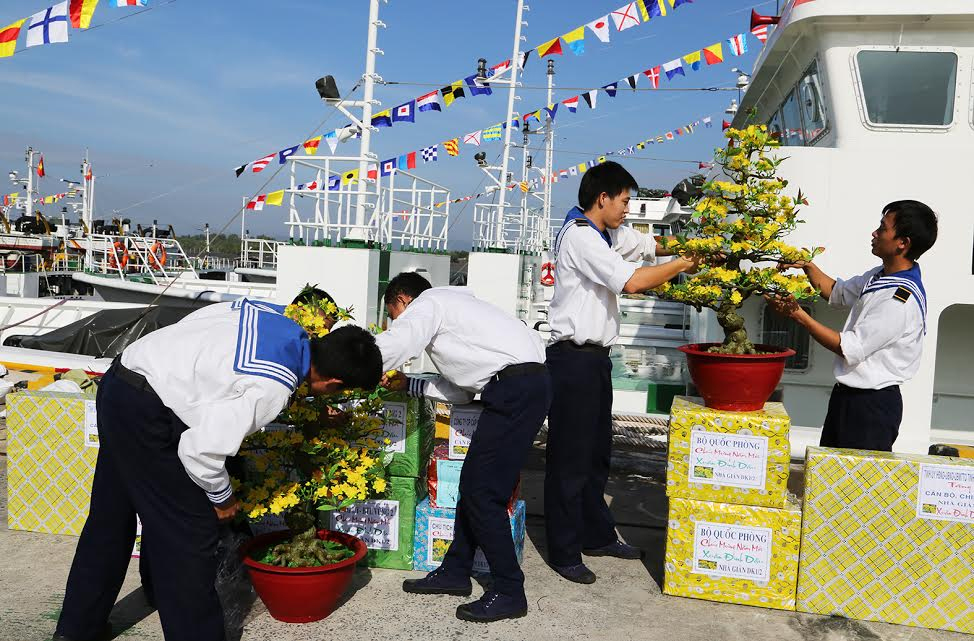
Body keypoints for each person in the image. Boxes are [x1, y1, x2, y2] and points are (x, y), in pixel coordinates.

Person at [54, 298, 382, 641]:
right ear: (333, 384)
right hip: (151, 413)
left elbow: (206, 329)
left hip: (121, 382)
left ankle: (78, 628)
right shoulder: (274, 386)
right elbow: (199, 451)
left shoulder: (279, 319)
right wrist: (222, 498)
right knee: (190, 533)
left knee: (111, 516)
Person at [545, 161, 700, 585]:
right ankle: (562, 549)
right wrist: (686, 263)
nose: (628, 209)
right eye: (626, 201)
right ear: (603, 198)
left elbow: (646, 248)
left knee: (597, 455)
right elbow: (631, 282)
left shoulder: (606, 232)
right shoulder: (580, 237)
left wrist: (690, 248)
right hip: (572, 360)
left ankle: (595, 534)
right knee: (570, 459)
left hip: (595, 360)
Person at [376, 271, 550, 623]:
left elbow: (399, 341)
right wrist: (409, 385)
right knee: (474, 487)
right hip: (519, 387)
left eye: (394, 315)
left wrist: (355, 365)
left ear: (403, 301)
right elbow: (460, 392)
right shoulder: (454, 312)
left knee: (482, 494)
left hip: (516, 389)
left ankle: (509, 590)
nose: (397, 323)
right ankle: (456, 571)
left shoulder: (429, 304)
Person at [766, 200, 938, 451]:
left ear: (903, 243)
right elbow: (837, 292)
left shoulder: (899, 299)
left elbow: (849, 347)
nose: (875, 233)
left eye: (882, 228)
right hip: (849, 398)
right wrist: (808, 267)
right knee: (830, 474)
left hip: (871, 406)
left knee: (855, 484)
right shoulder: (880, 276)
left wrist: (798, 315)